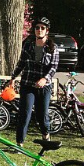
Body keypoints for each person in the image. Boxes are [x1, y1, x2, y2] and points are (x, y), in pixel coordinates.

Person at [9, 17, 59, 147]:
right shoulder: (28, 44)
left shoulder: (53, 47)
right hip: (27, 84)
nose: (39, 30)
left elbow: (53, 67)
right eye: (37, 28)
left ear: (47, 30)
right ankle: (19, 143)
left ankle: (46, 135)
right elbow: (21, 63)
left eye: (42, 28)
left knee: (42, 116)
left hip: (44, 87)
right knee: (24, 114)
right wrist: (13, 77)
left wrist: (45, 79)